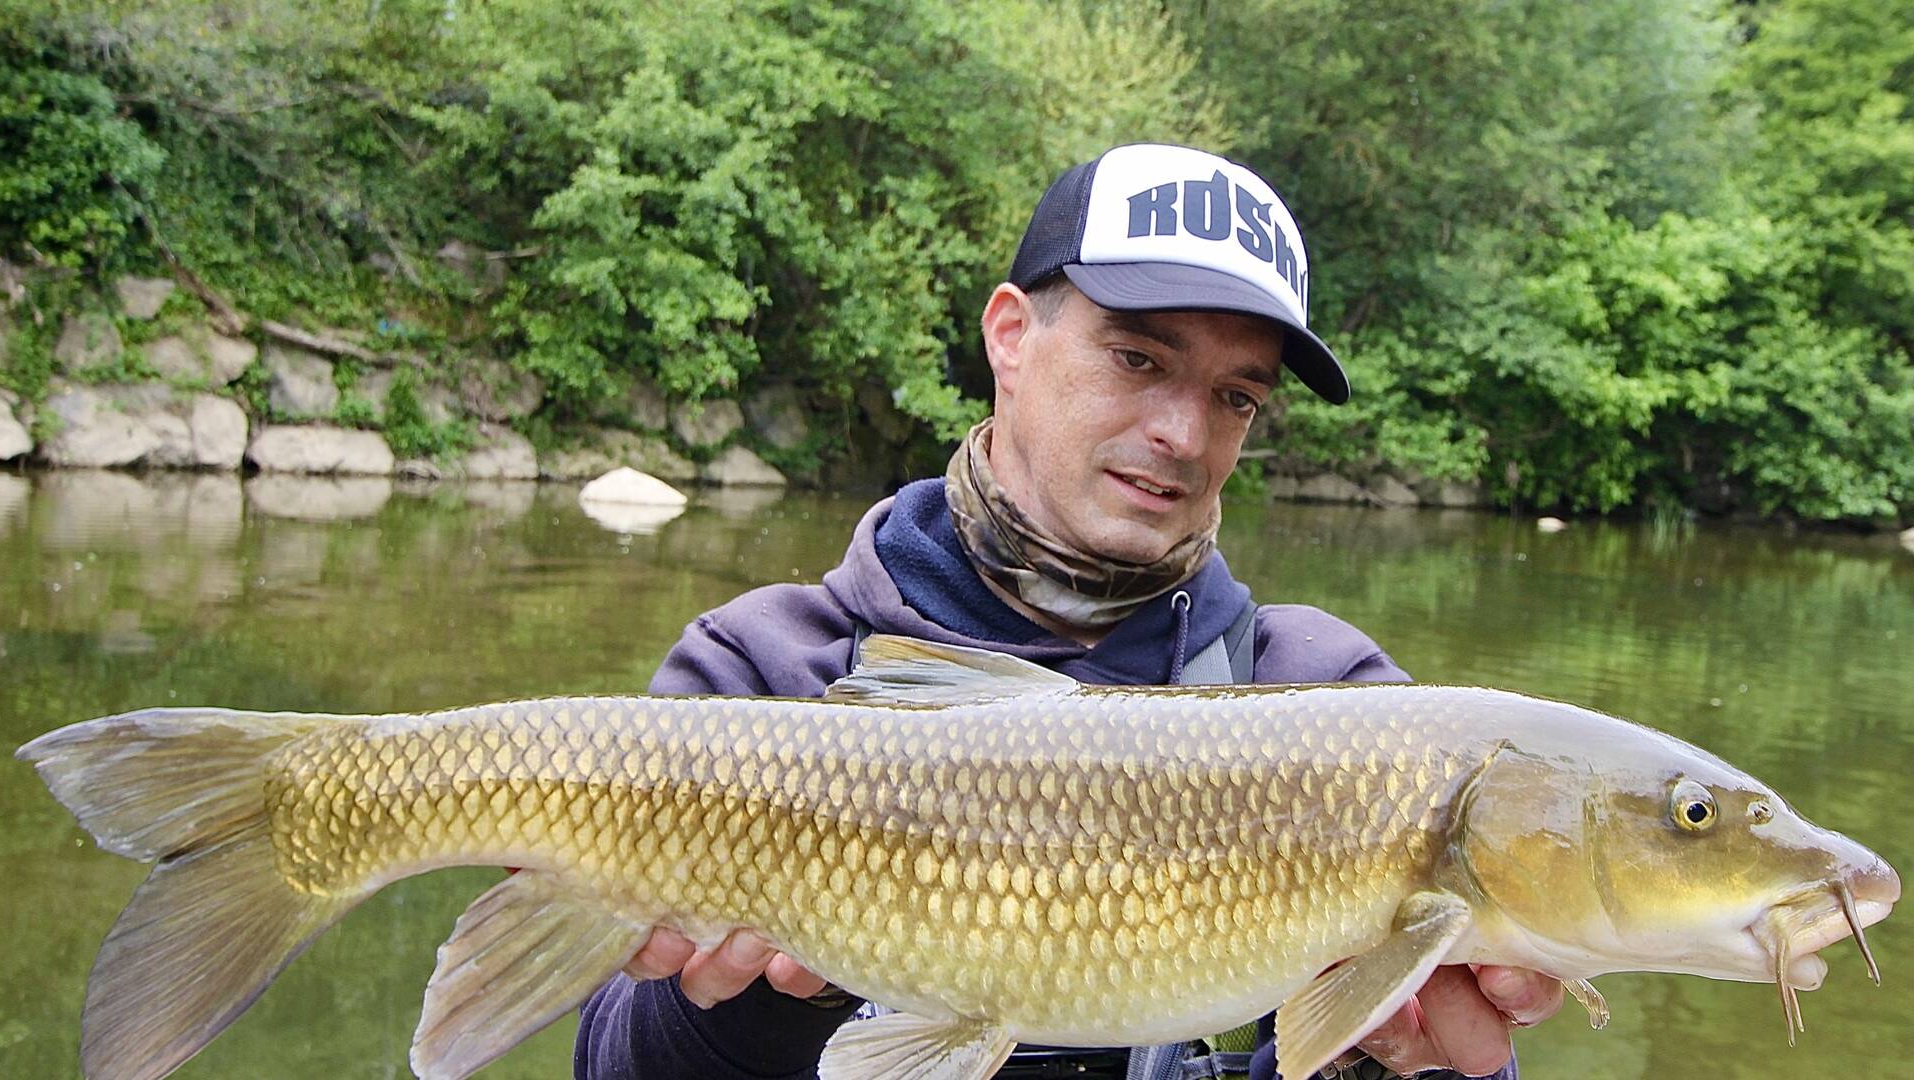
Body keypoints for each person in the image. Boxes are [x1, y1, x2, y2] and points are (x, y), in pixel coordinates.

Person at [573, 143, 1562, 1080]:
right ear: (1010, 335)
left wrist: (1388, 1055)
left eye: (1236, 396)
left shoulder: (1332, 704)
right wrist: (777, 994)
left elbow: (1439, 1034)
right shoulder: (766, 673)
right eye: (1137, 358)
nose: (1183, 432)